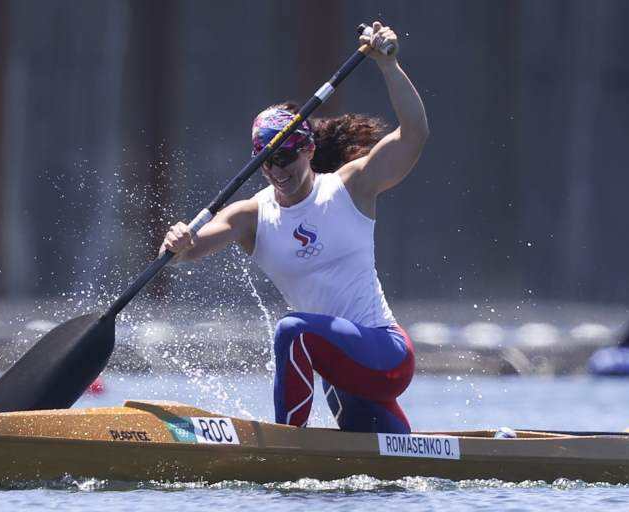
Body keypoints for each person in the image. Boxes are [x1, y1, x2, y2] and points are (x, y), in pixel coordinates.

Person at [160, 22, 428, 434]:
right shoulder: (251, 216)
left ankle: (286, 443)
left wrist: (388, 66)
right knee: (393, 467)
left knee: (293, 329)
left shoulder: (350, 187)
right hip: (341, 374)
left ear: (308, 149)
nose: (277, 169)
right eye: (267, 159)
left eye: (287, 156)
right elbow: (189, 250)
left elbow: (414, 134)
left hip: (386, 355)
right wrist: (177, 242)